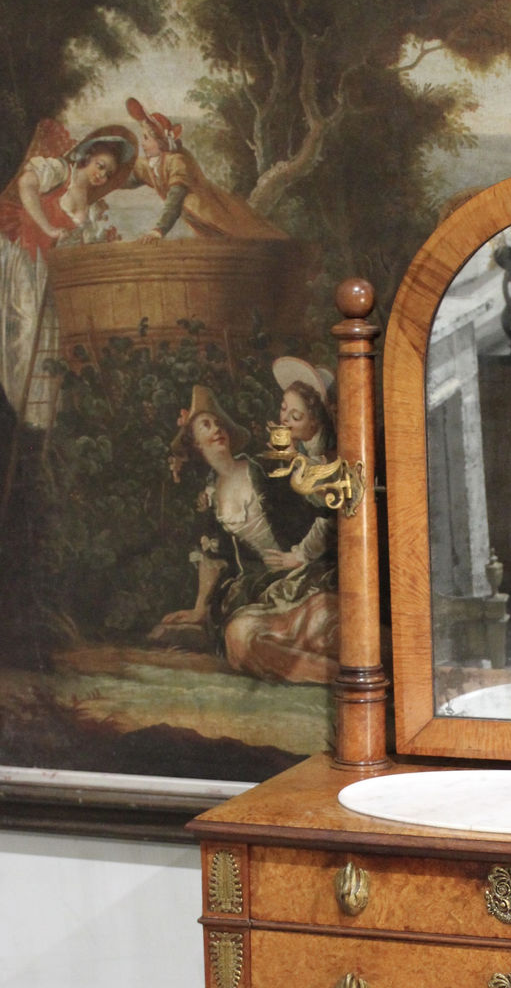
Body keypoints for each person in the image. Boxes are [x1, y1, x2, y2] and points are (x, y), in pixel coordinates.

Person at [151, 385, 338, 683]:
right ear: (196, 444)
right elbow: (212, 555)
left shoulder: (265, 467)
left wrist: (299, 556)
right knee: (240, 641)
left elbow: (325, 508)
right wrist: (200, 609)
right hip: (265, 590)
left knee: (322, 622)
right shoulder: (210, 498)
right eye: (206, 425)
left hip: (307, 576)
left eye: (218, 422)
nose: (217, 428)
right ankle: (332, 675)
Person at [0, 124, 136, 419]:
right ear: (86, 156)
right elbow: (26, 184)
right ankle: (16, 406)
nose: (102, 175)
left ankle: (38, 416)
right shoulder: (61, 171)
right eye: (101, 165)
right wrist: (48, 227)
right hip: (27, 256)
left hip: (51, 273)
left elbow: (81, 245)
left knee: (50, 337)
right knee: (26, 325)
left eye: (108, 173)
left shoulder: (92, 205)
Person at [121, 98, 287, 241]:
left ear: (161, 142)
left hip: (214, 214)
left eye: (146, 138)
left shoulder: (178, 162)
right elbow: (132, 177)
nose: (142, 143)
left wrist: (159, 230)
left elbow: (175, 199)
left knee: (251, 237)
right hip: (198, 220)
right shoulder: (154, 163)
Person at [266, 355, 339, 570]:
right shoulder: (302, 445)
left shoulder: (328, 456)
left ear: (315, 423)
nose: (284, 420)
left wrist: (300, 556)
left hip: (331, 554)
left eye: (295, 417)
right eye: (283, 408)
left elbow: (331, 516)